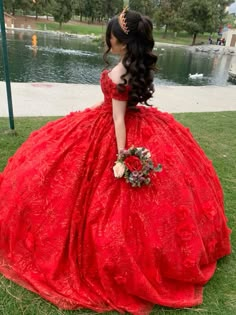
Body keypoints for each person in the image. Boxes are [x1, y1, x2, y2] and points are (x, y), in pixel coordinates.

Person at [0, 7, 231, 315]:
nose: (106, 40)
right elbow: (115, 105)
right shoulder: (133, 65)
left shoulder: (122, 71)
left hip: (117, 126)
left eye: (110, 36)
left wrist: (122, 155)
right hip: (113, 117)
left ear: (121, 40)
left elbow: (119, 119)